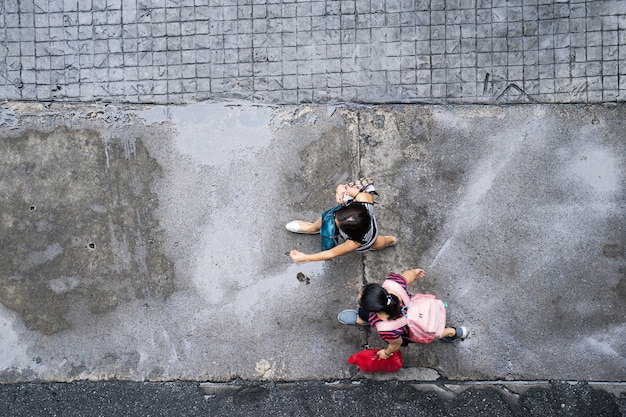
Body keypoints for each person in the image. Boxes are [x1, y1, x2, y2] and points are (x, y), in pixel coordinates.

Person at [337, 268, 468, 359]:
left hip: (410, 329)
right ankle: (456, 332)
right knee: (438, 331)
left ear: (373, 310)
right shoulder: (393, 284)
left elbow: (396, 343)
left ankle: (361, 319)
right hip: (424, 310)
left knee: (432, 333)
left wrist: (387, 353)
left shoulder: (385, 328)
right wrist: (415, 272)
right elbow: (409, 275)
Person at [286, 182, 397, 262]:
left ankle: (389, 240)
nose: (334, 220)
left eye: (337, 225)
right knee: (328, 218)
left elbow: (331, 253)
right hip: (366, 226)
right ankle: (313, 228)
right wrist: (340, 189)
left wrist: (306, 257)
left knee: (376, 242)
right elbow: (344, 187)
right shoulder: (364, 197)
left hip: (367, 238)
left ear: (348, 235)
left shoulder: (353, 243)